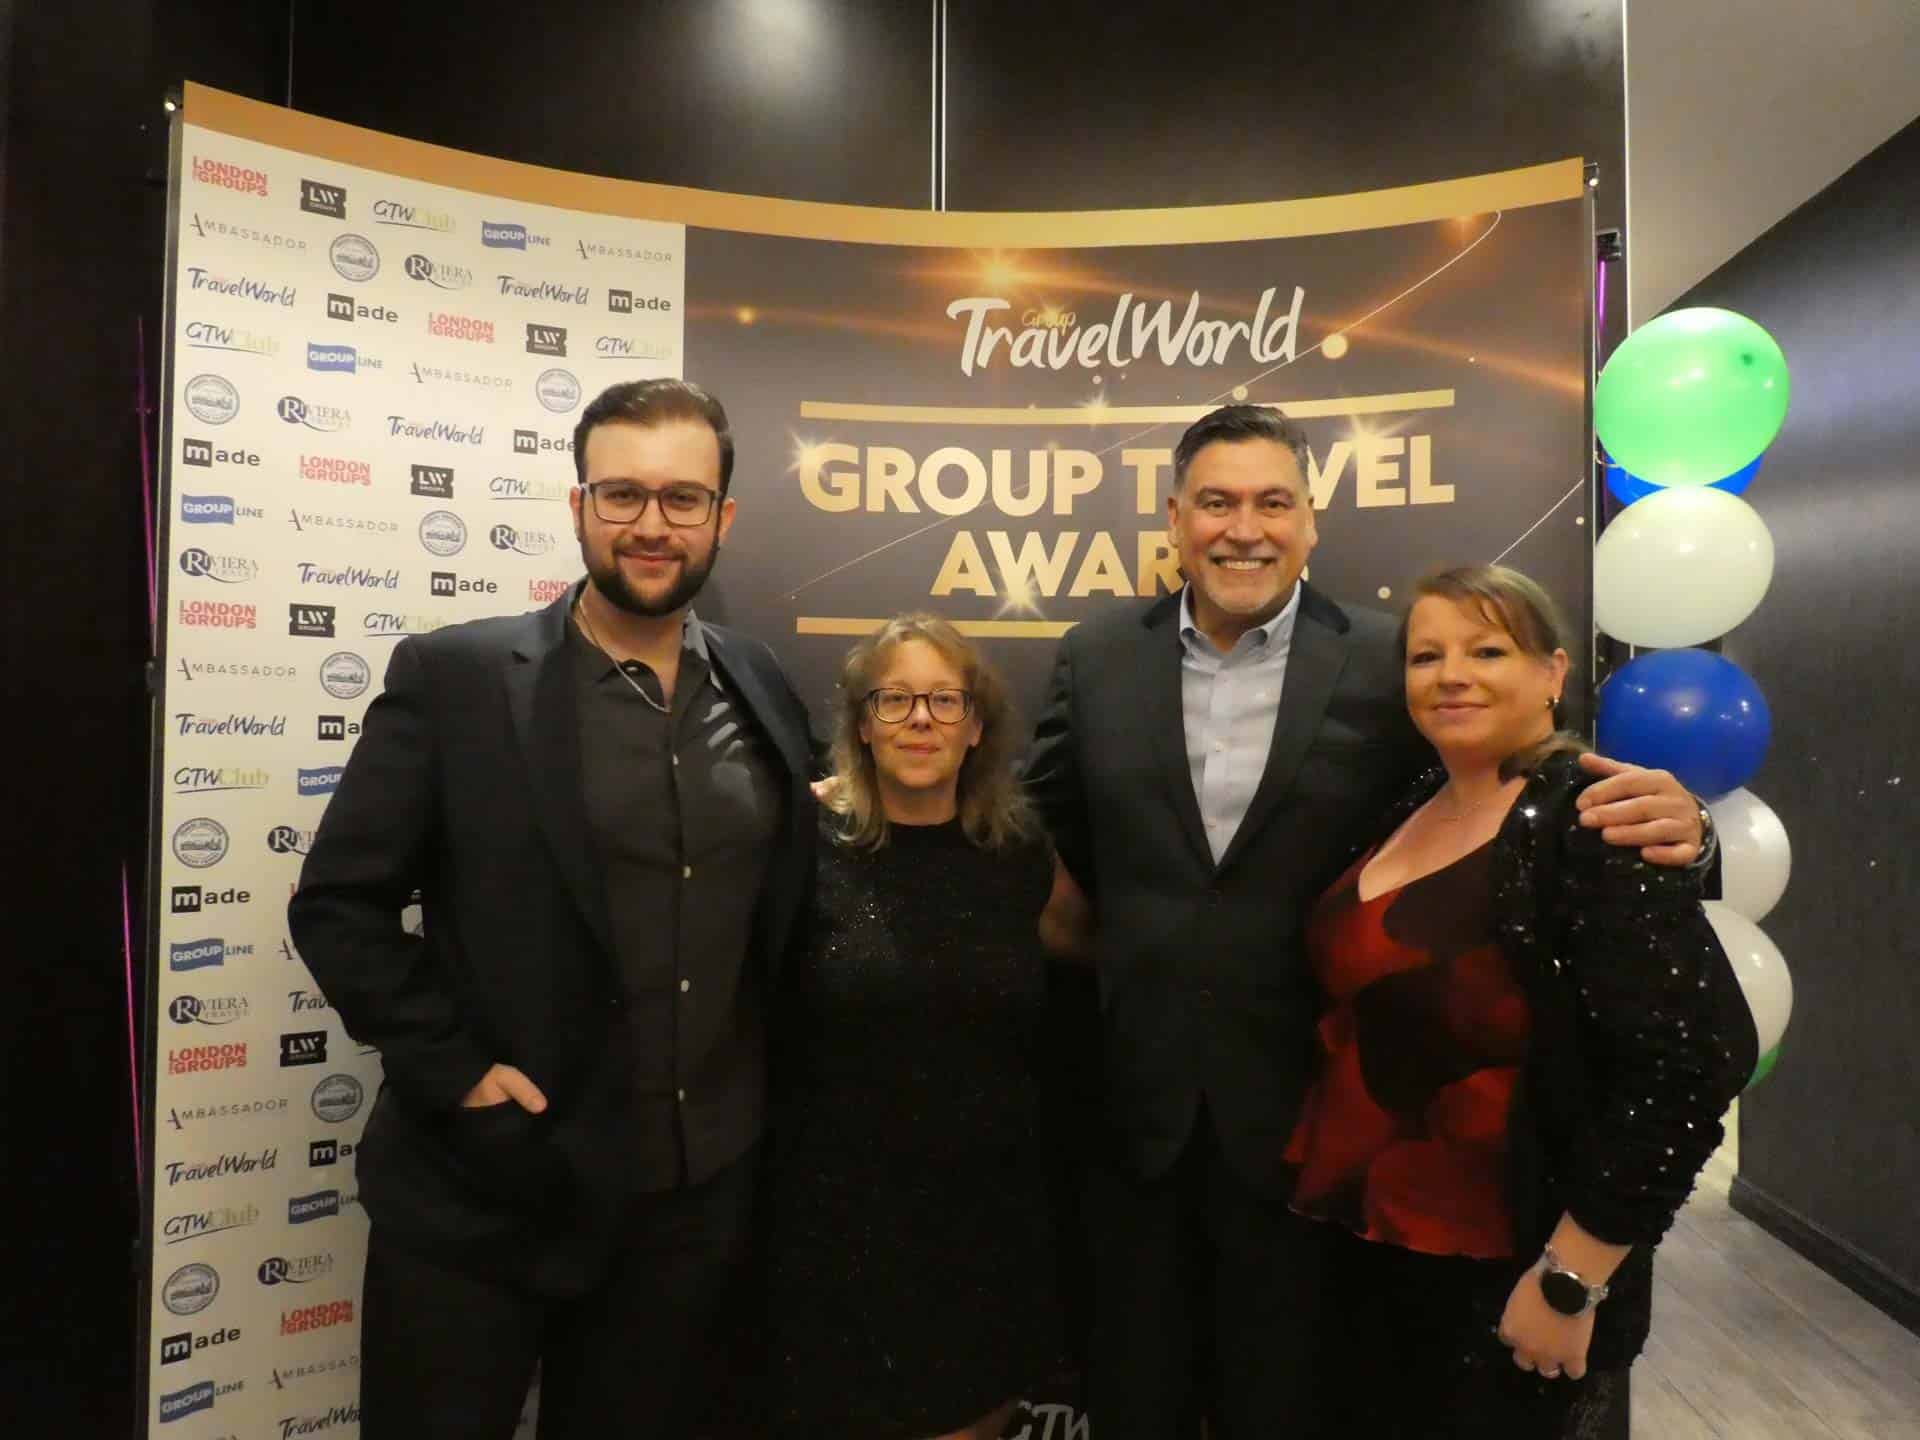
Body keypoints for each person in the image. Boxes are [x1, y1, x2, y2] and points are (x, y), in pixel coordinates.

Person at [1023, 404, 1714, 1439]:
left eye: (1273, 502)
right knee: (1134, 1400)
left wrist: (1690, 834)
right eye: (1216, 502)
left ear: (1312, 520)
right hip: (1132, 1117)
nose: (1243, 529)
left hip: (1322, 1133)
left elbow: (1512, 793)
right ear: (1173, 517)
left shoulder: (1400, 661)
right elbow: (1034, 835)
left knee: (1293, 1409)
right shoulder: (1095, 657)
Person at [287, 378, 816, 1440]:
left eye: (682, 498)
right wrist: (458, 1075)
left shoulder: (760, 680)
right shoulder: (458, 677)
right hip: (486, 1191)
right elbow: (340, 906)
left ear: (723, 518)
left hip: (689, 1203)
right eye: (623, 495)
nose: (652, 525)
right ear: (579, 506)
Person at [1286, 565, 1756, 1437]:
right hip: (1368, 1249)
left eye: (1487, 650)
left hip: (1509, 1280)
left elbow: (1694, 1064)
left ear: (1552, 673)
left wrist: (1570, 1279)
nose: (1452, 675)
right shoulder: (1408, 802)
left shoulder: (1595, 818)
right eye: (1426, 656)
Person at [753, 613, 1077, 1439]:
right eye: (893, 699)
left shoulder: (1019, 852)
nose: (920, 720)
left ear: (977, 726)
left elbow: (1102, 952)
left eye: (944, 700)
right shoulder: (801, 846)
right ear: (862, 725)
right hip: (831, 1218)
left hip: (986, 1217)